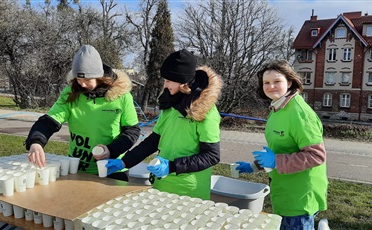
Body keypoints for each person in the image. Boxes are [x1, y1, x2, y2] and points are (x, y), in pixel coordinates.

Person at [105, 49, 223, 199]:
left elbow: (211, 156)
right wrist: (124, 162)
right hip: (161, 185)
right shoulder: (171, 105)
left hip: (189, 191)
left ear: (184, 83)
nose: (165, 85)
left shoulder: (206, 111)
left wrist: (172, 166)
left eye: (168, 81)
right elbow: (153, 141)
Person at [25, 44, 140, 181]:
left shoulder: (122, 96)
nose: (82, 85)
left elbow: (132, 131)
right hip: (77, 169)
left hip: (112, 169)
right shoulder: (70, 93)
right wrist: (36, 142)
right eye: (79, 79)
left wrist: (111, 150)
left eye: (87, 80)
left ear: (99, 76)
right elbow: (49, 121)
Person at [235, 60, 328, 229]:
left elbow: (316, 155)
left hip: (300, 197)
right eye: (266, 83)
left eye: (277, 81)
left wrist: (276, 162)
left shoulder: (299, 113)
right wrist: (254, 166)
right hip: (284, 190)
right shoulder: (277, 108)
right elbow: (281, 149)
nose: (271, 86)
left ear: (290, 82)